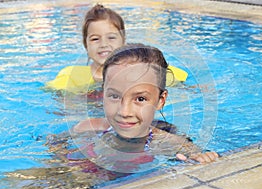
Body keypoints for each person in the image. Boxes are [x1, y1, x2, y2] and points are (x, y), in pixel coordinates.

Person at [72, 43, 219, 164]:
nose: (124, 112)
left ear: (160, 101)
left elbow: (199, 158)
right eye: (114, 96)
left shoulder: (172, 143)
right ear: (103, 93)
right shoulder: (85, 128)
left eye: (140, 99)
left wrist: (202, 159)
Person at [45, 4, 187, 94]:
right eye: (95, 39)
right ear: (85, 44)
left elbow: (183, 85)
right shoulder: (71, 77)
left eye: (111, 38)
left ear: (123, 40)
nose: (103, 44)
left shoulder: (143, 70)